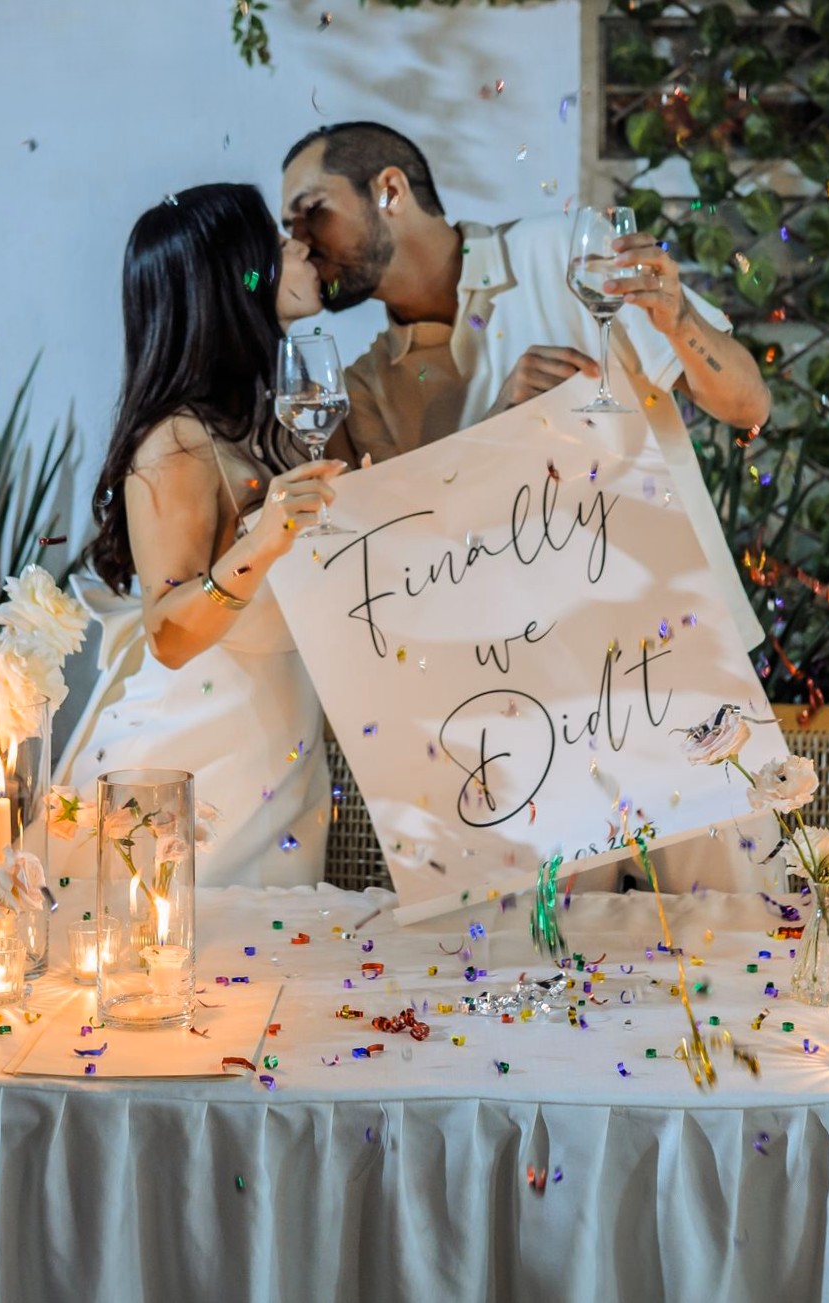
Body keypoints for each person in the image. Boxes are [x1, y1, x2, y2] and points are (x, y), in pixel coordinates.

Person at [280, 120, 771, 654]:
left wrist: (682, 325)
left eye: (312, 213)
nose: (299, 244)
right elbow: (405, 551)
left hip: (676, 643)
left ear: (390, 191)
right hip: (520, 685)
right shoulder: (366, 388)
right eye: (289, 228)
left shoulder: (566, 254)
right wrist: (498, 428)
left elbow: (750, 407)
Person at [54, 183, 344, 887]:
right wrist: (263, 540)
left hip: (278, 757)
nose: (299, 247)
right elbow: (169, 635)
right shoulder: (176, 443)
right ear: (229, 280)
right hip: (191, 769)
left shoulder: (265, 422)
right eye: (276, 245)